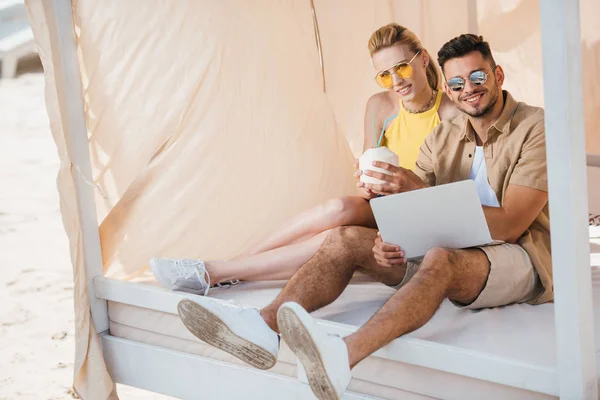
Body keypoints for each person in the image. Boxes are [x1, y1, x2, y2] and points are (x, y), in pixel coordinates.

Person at [176, 33, 552, 400]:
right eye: (456, 82)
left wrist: (415, 192)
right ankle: (263, 325)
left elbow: (511, 224)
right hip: (455, 243)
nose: (467, 88)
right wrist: (394, 240)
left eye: (477, 77)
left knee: (440, 259)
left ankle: (343, 355)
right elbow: (419, 209)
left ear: (498, 76)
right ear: (449, 89)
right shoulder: (445, 135)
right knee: (343, 238)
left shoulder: (536, 127)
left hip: (518, 256)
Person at [149, 23, 458, 293]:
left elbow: (454, 192)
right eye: (384, 75)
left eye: (402, 67)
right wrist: (367, 182)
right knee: (339, 206)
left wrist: (405, 185)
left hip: (421, 214)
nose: (396, 82)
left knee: (336, 236)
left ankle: (217, 272)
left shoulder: (451, 113)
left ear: (423, 59)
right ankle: (234, 265)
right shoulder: (380, 106)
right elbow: (368, 175)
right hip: (383, 206)